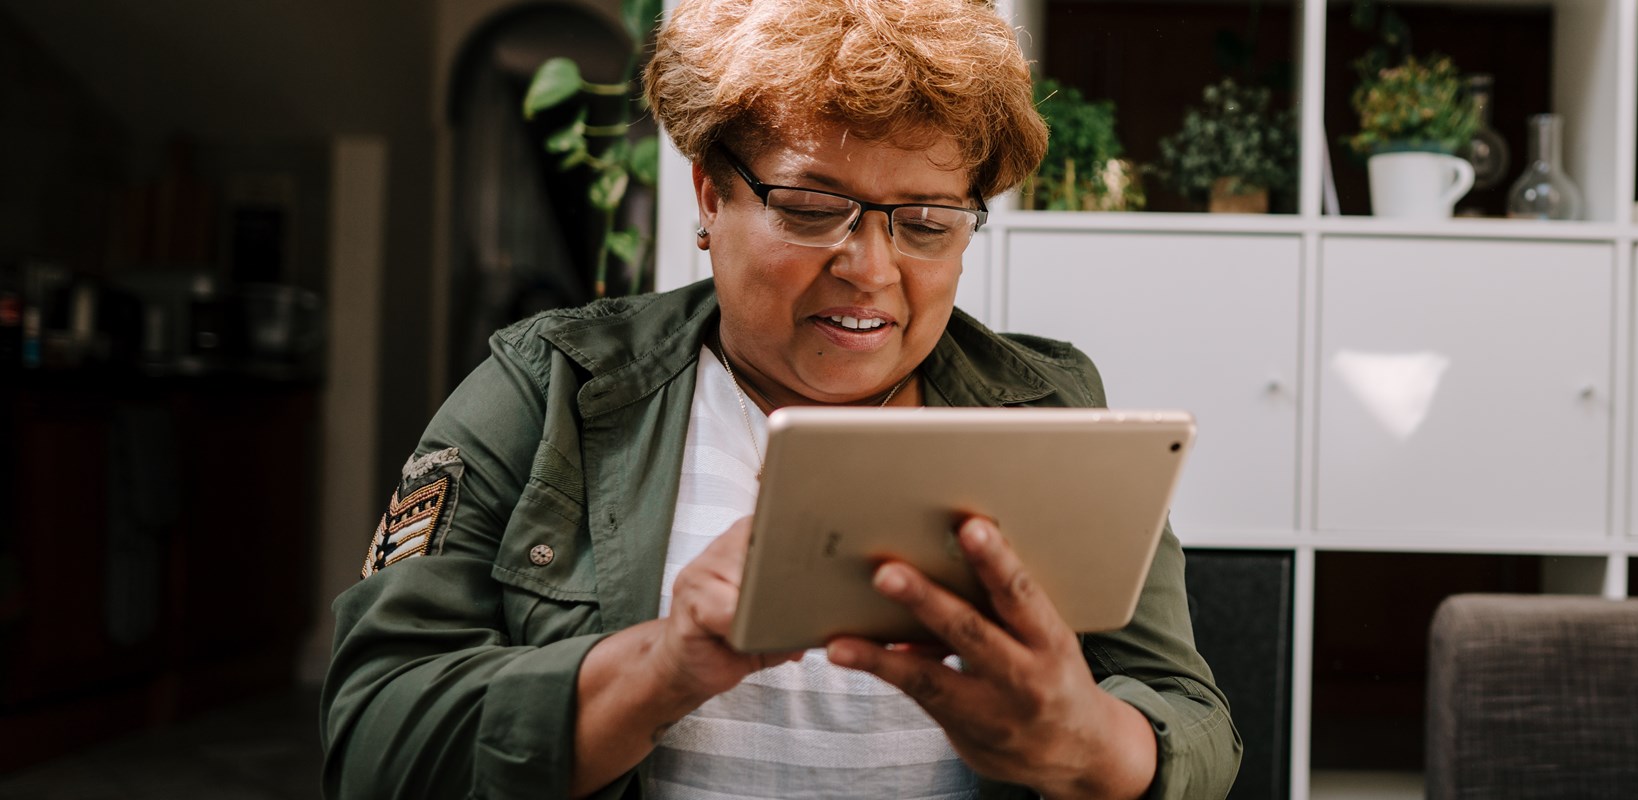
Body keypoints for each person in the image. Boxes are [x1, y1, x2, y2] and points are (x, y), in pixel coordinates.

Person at [319, 0, 1239, 796]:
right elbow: (372, 739)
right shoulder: (549, 389)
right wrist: (658, 669)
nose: (871, 269)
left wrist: (1091, 745)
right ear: (711, 196)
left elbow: (1192, 719)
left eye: (926, 223)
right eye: (808, 208)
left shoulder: (1052, 410)